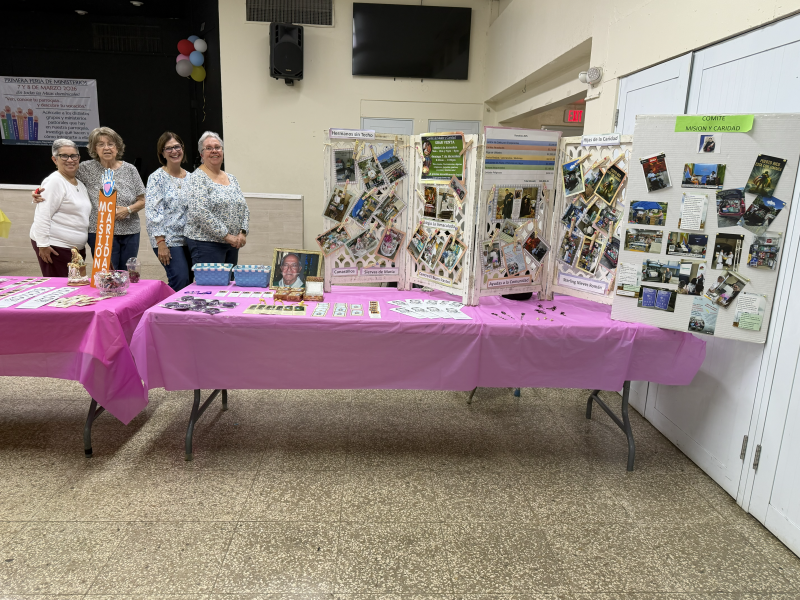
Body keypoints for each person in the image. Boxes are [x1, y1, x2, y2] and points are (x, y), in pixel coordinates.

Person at [32, 126, 146, 270]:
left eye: (110, 144)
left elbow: (142, 200)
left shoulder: (130, 169)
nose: (106, 148)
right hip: (99, 231)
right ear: (94, 149)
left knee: (128, 272)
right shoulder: (85, 168)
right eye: (101, 144)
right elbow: (63, 177)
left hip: (130, 231)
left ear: (117, 147)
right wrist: (38, 192)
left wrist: (128, 210)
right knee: (106, 273)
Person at [184, 131, 249, 266]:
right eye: (208, 148)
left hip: (232, 244)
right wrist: (226, 236)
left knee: (229, 280)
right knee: (212, 280)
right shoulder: (197, 178)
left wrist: (243, 232)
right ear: (202, 154)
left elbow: (244, 208)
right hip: (206, 244)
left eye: (217, 147)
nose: (214, 151)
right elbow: (200, 212)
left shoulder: (232, 178)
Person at [29, 139, 91, 277]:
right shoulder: (55, 181)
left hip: (74, 249)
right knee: (61, 287)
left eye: (73, 156)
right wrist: (43, 244)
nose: (70, 160)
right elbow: (42, 214)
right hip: (55, 247)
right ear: (55, 159)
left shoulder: (79, 183)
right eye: (64, 156)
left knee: (76, 285)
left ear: (79, 158)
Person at [145, 132, 193, 291]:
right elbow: (153, 212)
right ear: (162, 153)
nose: (174, 151)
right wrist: (161, 243)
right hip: (168, 240)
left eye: (177, 147)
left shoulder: (191, 178)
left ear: (182, 148)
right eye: (169, 148)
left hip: (189, 239)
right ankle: (165, 307)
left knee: (190, 282)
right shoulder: (156, 178)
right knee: (180, 278)